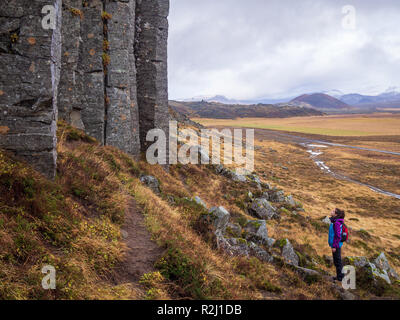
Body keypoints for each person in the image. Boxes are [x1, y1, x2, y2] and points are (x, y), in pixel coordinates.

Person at [328, 208, 345, 281]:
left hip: (336, 245)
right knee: (336, 261)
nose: (331, 211)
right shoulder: (335, 221)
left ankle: (340, 277)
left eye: (333, 211)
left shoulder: (336, 223)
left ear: (336, 214)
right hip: (335, 245)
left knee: (337, 261)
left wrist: (334, 246)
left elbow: (338, 236)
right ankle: (339, 275)